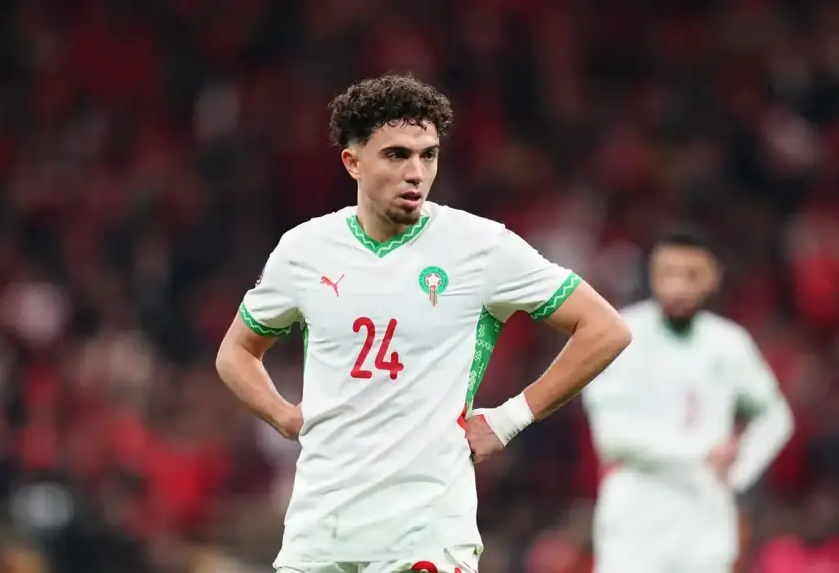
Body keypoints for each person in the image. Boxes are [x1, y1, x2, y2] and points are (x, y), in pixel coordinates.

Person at [215, 73, 632, 573]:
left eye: (428, 155)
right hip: (321, 527)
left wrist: (508, 418)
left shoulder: (480, 247)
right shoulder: (304, 250)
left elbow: (605, 328)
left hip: (426, 531)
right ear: (353, 162)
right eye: (396, 155)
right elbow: (236, 352)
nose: (416, 171)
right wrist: (283, 415)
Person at [582, 225, 794, 573]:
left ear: (713, 279)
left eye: (692, 274)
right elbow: (612, 440)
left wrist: (740, 470)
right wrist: (704, 451)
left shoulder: (729, 343)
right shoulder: (619, 336)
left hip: (705, 517)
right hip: (637, 515)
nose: (679, 285)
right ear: (653, 275)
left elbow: (776, 416)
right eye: (669, 273)